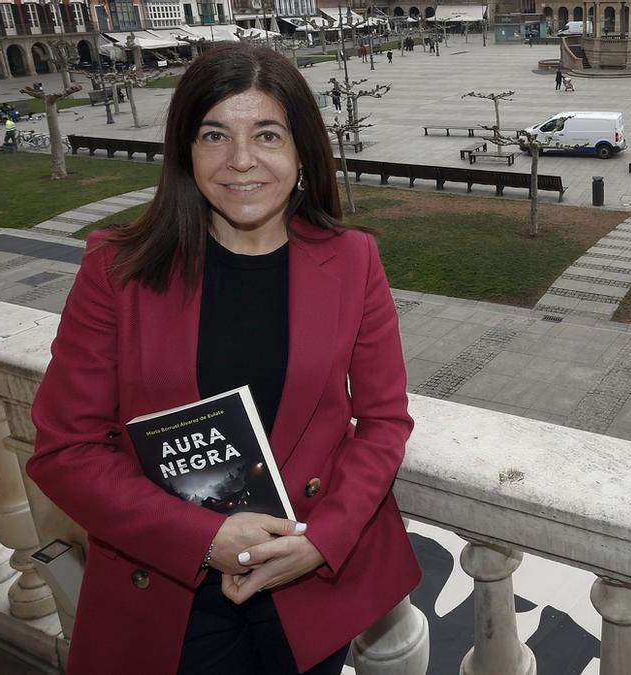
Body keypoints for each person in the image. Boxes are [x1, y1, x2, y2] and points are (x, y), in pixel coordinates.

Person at [27, 43, 419, 675]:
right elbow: (64, 450)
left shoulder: (353, 260)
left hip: (304, 584)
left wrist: (325, 541)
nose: (241, 161)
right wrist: (203, 540)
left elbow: (382, 422)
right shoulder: (116, 270)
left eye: (267, 134)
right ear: (187, 151)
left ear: (302, 152)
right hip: (172, 589)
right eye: (215, 135)